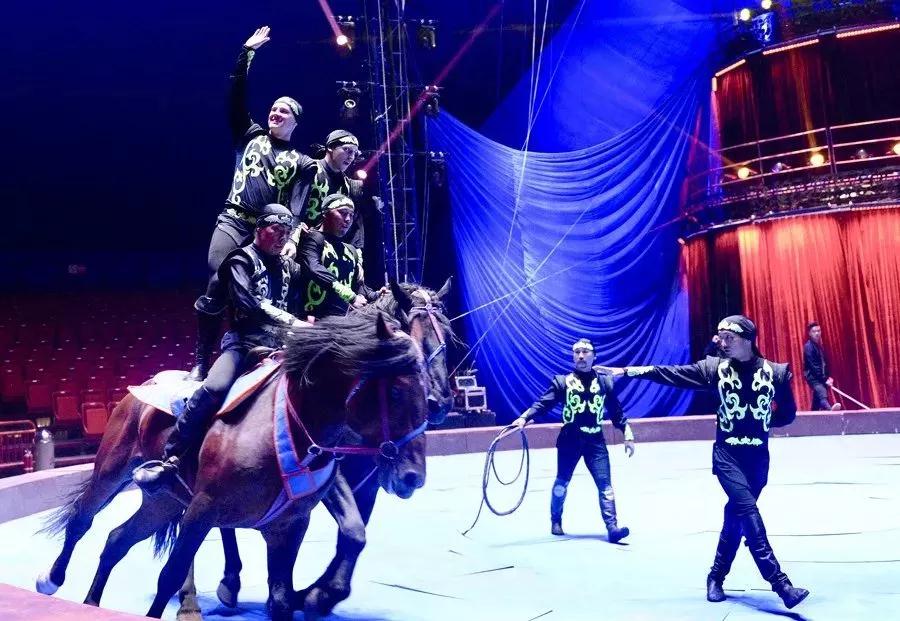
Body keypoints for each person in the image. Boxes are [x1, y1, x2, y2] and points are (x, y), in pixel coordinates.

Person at [596, 315, 810, 609]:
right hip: (727, 456)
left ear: (747, 339)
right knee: (747, 510)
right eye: (720, 337)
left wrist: (759, 421)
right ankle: (781, 584)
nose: (722, 343)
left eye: (729, 338)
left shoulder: (776, 373)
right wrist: (626, 371)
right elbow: (670, 373)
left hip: (758, 460)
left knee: (736, 518)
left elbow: (787, 413)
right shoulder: (714, 369)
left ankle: (716, 577)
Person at [134, 205, 308, 488]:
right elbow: (249, 304)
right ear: (259, 229)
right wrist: (294, 323)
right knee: (215, 387)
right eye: (277, 229)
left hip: (282, 345)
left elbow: (297, 306)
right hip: (244, 344)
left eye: (287, 232)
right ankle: (170, 457)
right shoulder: (240, 260)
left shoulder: (291, 268)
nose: (282, 237)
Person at [190, 26, 317, 380]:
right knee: (219, 276)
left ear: (295, 121)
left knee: (273, 288)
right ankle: (201, 360)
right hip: (233, 220)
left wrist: (292, 239)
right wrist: (246, 53)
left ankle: (262, 346)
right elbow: (235, 97)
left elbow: (297, 207)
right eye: (273, 109)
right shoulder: (250, 135)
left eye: (283, 111)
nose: (275, 113)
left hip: (267, 232)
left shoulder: (303, 162)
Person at [511, 338, 635, 542]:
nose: (581, 356)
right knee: (562, 483)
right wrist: (524, 418)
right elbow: (543, 404)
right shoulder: (563, 382)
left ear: (594, 356)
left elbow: (616, 412)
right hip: (570, 440)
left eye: (585, 352)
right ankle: (556, 520)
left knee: (605, 486)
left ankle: (612, 528)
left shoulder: (605, 382)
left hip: (595, 441)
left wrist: (627, 433)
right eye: (577, 352)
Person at [283, 130, 366, 258]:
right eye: (347, 150)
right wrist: (291, 239)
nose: (351, 157)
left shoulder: (348, 185)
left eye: (354, 153)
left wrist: (357, 256)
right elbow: (294, 206)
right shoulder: (311, 169)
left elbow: (355, 225)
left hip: (326, 250)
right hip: (299, 244)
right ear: (330, 147)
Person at [296, 194, 381, 319]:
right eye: (343, 213)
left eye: (351, 215)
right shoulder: (313, 238)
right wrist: (350, 296)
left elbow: (357, 286)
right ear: (326, 213)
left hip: (342, 322)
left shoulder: (350, 251)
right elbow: (314, 268)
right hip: (314, 320)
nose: (348, 219)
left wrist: (377, 295)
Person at [803, 321, 841, 411]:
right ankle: (830, 410)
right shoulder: (808, 347)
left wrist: (828, 377)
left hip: (820, 376)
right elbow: (814, 366)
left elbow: (824, 364)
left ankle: (812, 414)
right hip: (813, 377)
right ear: (809, 333)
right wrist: (825, 379)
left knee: (817, 399)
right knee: (822, 392)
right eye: (814, 331)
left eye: (819, 331)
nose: (817, 333)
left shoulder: (819, 347)